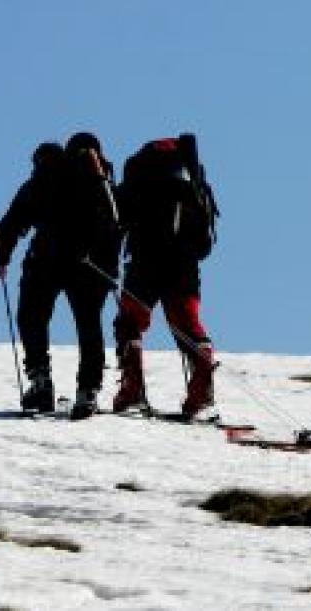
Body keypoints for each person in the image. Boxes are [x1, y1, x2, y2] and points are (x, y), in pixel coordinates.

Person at [0, 134, 120, 419]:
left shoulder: (45, 175)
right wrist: (109, 271)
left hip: (46, 259)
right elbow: (114, 224)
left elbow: (14, 221)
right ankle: (88, 392)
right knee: (88, 324)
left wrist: (2, 256)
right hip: (89, 263)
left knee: (32, 317)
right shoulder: (100, 179)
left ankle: (40, 381)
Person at [108, 134, 220, 419]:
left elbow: (117, 218)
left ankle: (132, 388)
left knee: (129, 322)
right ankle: (202, 384)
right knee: (187, 324)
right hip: (185, 265)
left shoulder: (139, 176)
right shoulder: (193, 182)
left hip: (144, 262)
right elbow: (205, 243)